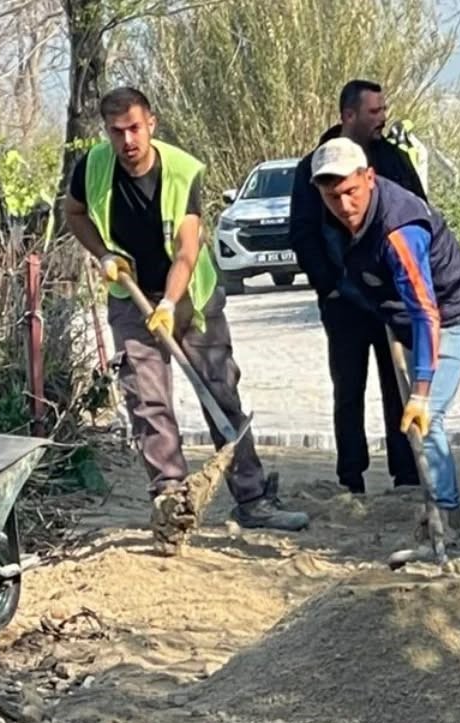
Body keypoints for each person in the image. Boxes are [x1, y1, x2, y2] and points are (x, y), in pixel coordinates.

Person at [62, 86, 308, 534]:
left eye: (134, 128)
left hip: (190, 297)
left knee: (220, 392)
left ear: (150, 124)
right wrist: (102, 255)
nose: (127, 141)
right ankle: (171, 502)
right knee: (147, 400)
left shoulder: (182, 171)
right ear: (107, 133)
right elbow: (73, 212)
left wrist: (171, 303)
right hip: (130, 295)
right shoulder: (92, 168)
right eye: (116, 132)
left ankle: (253, 499)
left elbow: (187, 251)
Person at [310, 137, 460, 539]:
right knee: (416, 420)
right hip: (405, 319)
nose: (345, 206)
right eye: (332, 196)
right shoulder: (337, 217)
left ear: (369, 178)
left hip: (453, 317)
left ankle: (447, 516)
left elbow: (427, 311)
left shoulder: (399, 230)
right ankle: (439, 508)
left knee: (424, 419)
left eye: (351, 192)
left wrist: (422, 389)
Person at [290, 80, 426, 496]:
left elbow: (419, 215)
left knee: (397, 384)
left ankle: (406, 473)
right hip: (343, 302)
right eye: (373, 112)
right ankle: (350, 477)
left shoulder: (395, 161)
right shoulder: (312, 166)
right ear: (348, 115)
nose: (382, 118)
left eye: (383, 109)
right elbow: (303, 232)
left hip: (389, 298)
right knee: (348, 388)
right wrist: (328, 286)